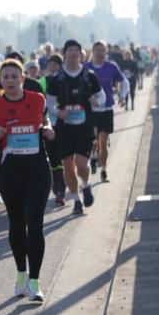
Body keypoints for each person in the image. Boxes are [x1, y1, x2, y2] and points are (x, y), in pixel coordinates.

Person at [0, 59, 54, 302]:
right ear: (1, 81)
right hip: (10, 172)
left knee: (35, 222)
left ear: (22, 78)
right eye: (6, 77)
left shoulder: (37, 99)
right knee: (17, 224)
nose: (10, 81)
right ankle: (21, 274)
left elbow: (45, 120)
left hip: (38, 170)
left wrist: (49, 129)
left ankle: (34, 281)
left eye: (14, 76)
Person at [46, 40, 105, 216]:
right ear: (65, 54)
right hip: (64, 128)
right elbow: (49, 105)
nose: (73, 53)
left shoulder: (89, 75)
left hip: (84, 126)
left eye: (76, 50)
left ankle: (86, 186)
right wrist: (58, 112)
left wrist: (97, 101)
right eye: (69, 50)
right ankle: (77, 201)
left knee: (81, 164)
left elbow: (102, 97)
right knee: (68, 167)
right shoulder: (57, 79)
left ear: (80, 54)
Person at [84, 40, 127, 182]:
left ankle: (103, 170)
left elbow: (124, 81)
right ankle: (94, 156)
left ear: (106, 52)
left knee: (103, 140)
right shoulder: (86, 67)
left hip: (107, 107)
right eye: (97, 50)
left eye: (102, 50)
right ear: (92, 51)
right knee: (93, 139)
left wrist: (122, 95)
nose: (99, 52)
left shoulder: (111, 66)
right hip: (90, 109)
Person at [44, 54, 66, 205]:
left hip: (63, 122)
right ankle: (56, 180)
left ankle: (62, 186)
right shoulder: (41, 81)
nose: (53, 66)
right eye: (50, 63)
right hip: (47, 122)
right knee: (52, 154)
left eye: (56, 64)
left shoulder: (65, 81)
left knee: (62, 154)